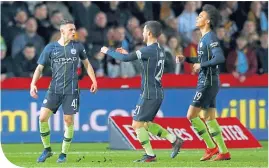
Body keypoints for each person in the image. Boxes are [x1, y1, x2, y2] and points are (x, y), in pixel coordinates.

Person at [100, 21, 183, 162]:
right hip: (155, 91)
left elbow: (125, 59)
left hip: (150, 93)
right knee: (144, 124)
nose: (143, 33)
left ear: (149, 33)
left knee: (137, 124)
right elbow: (145, 64)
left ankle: (151, 154)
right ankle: (173, 139)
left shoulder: (148, 50)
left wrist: (107, 51)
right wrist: (130, 54)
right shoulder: (159, 49)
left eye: (144, 31)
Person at [30, 19, 98, 163]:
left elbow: (87, 64)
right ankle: (47, 149)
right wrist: (33, 84)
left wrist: (94, 80)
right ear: (62, 31)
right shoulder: (50, 48)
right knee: (42, 118)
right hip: (54, 89)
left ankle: (63, 154)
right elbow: (39, 68)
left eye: (74, 29)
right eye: (70, 29)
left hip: (71, 90)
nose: (74, 32)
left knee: (68, 121)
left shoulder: (78, 47)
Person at [176, 4, 231, 161]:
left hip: (207, 81)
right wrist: (186, 59)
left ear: (207, 21)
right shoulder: (204, 38)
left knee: (191, 116)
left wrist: (201, 65)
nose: (197, 18)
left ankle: (211, 147)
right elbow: (203, 59)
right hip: (210, 81)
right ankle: (224, 151)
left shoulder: (210, 37)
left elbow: (219, 58)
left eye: (200, 16)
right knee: (209, 118)